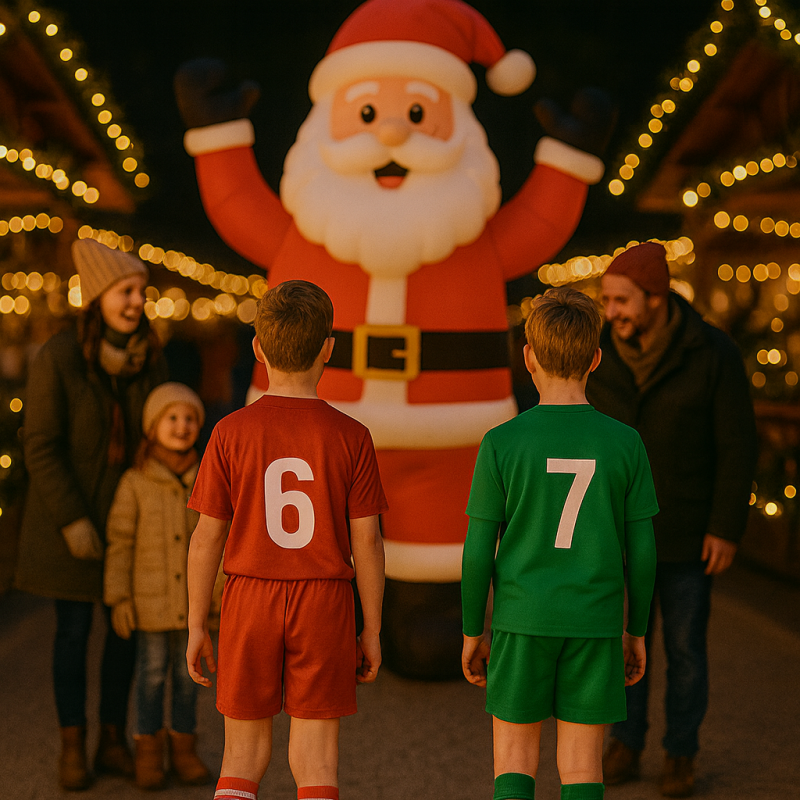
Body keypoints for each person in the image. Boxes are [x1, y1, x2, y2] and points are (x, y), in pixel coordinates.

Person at [175, 0, 614, 678]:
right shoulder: (304, 227)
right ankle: (317, 617)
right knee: (307, 537)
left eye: (416, 113)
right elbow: (240, 209)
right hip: (312, 427)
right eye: (367, 112)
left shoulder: (471, 236)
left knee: (437, 536)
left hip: (444, 433)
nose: (390, 133)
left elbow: (536, 227)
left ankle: (424, 612)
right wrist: (217, 134)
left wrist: (569, 159)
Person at [185, 280, 387, 800]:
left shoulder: (229, 432)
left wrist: (196, 623)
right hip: (324, 600)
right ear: (328, 349)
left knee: (241, 756)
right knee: (316, 760)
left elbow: (206, 538)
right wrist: (371, 628)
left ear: (257, 348)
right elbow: (367, 542)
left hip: (249, 597)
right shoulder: (352, 435)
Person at [461, 287, 659, 800]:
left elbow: (478, 549)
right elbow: (642, 553)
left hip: (521, 619)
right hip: (594, 621)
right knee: (582, 766)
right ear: (595, 359)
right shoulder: (626, 443)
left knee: (513, 760)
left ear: (529, 357)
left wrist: (472, 630)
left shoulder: (501, 442)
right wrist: (635, 631)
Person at [587, 241, 758, 797]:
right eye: (606, 300)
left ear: (656, 298)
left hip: (686, 532)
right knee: (623, 644)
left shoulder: (712, 352)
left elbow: (737, 444)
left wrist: (725, 527)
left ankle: (680, 752)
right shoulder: (598, 353)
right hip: (617, 534)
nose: (610, 311)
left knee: (685, 651)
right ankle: (625, 742)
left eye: (621, 300)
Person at [14, 237, 168, 790]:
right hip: (69, 528)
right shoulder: (60, 357)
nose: (136, 301)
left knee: (124, 634)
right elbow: (40, 445)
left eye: (141, 291)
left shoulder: (149, 356)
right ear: (98, 296)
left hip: (128, 527)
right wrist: (73, 520)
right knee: (73, 635)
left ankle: (113, 739)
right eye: (126, 291)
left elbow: (160, 431)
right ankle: (72, 745)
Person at [104, 382, 212, 790]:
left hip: (193, 606)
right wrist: (119, 598)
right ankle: (148, 751)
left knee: (188, 681)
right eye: (172, 418)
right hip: (149, 605)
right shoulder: (135, 482)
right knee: (150, 676)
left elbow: (218, 542)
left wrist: (219, 597)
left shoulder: (207, 479)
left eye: (190, 418)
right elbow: (120, 542)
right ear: (152, 427)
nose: (182, 426)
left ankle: (183, 750)